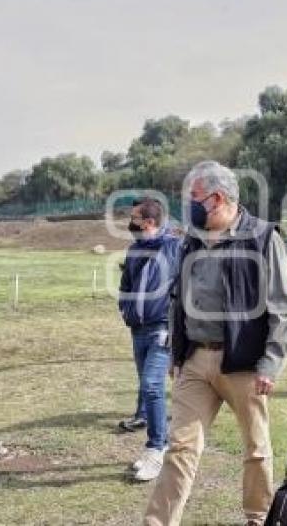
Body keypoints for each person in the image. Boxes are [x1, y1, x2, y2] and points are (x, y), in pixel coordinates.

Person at [144, 161, 287, 526]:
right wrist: (177, 353)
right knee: (179, 449)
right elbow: (178, 299)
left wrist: (270, 363)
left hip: (244, 364)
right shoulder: (191, 239)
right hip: (195, 360)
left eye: (193, 197)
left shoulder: (262, 237)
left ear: (217, 198)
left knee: (257, 450)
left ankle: (258, 519)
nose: (189, 205)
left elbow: (281, 307)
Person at [117, 196, 181, 481]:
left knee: (152, 385)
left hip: (162, 328)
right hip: (138, 330)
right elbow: (126, 285)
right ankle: (157, 444)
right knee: (146, 384)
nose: (131, 223)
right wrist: (125, 309)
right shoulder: (134, 251)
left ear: (150, 222)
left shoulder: (174, 247)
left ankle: (157, 447)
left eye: (135, 218)